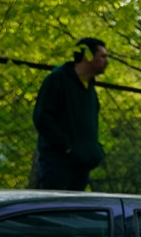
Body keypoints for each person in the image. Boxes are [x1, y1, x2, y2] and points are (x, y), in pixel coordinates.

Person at [32, 38, 107, 190]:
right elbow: (42, 118)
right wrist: (67, 148)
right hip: (57, 165)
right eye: (102, 56)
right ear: (87, 55)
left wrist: (94, 150)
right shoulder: (58, 79)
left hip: (81, 165)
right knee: (54, 209)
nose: (106, 61)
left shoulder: (90, 88)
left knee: (75, 209)